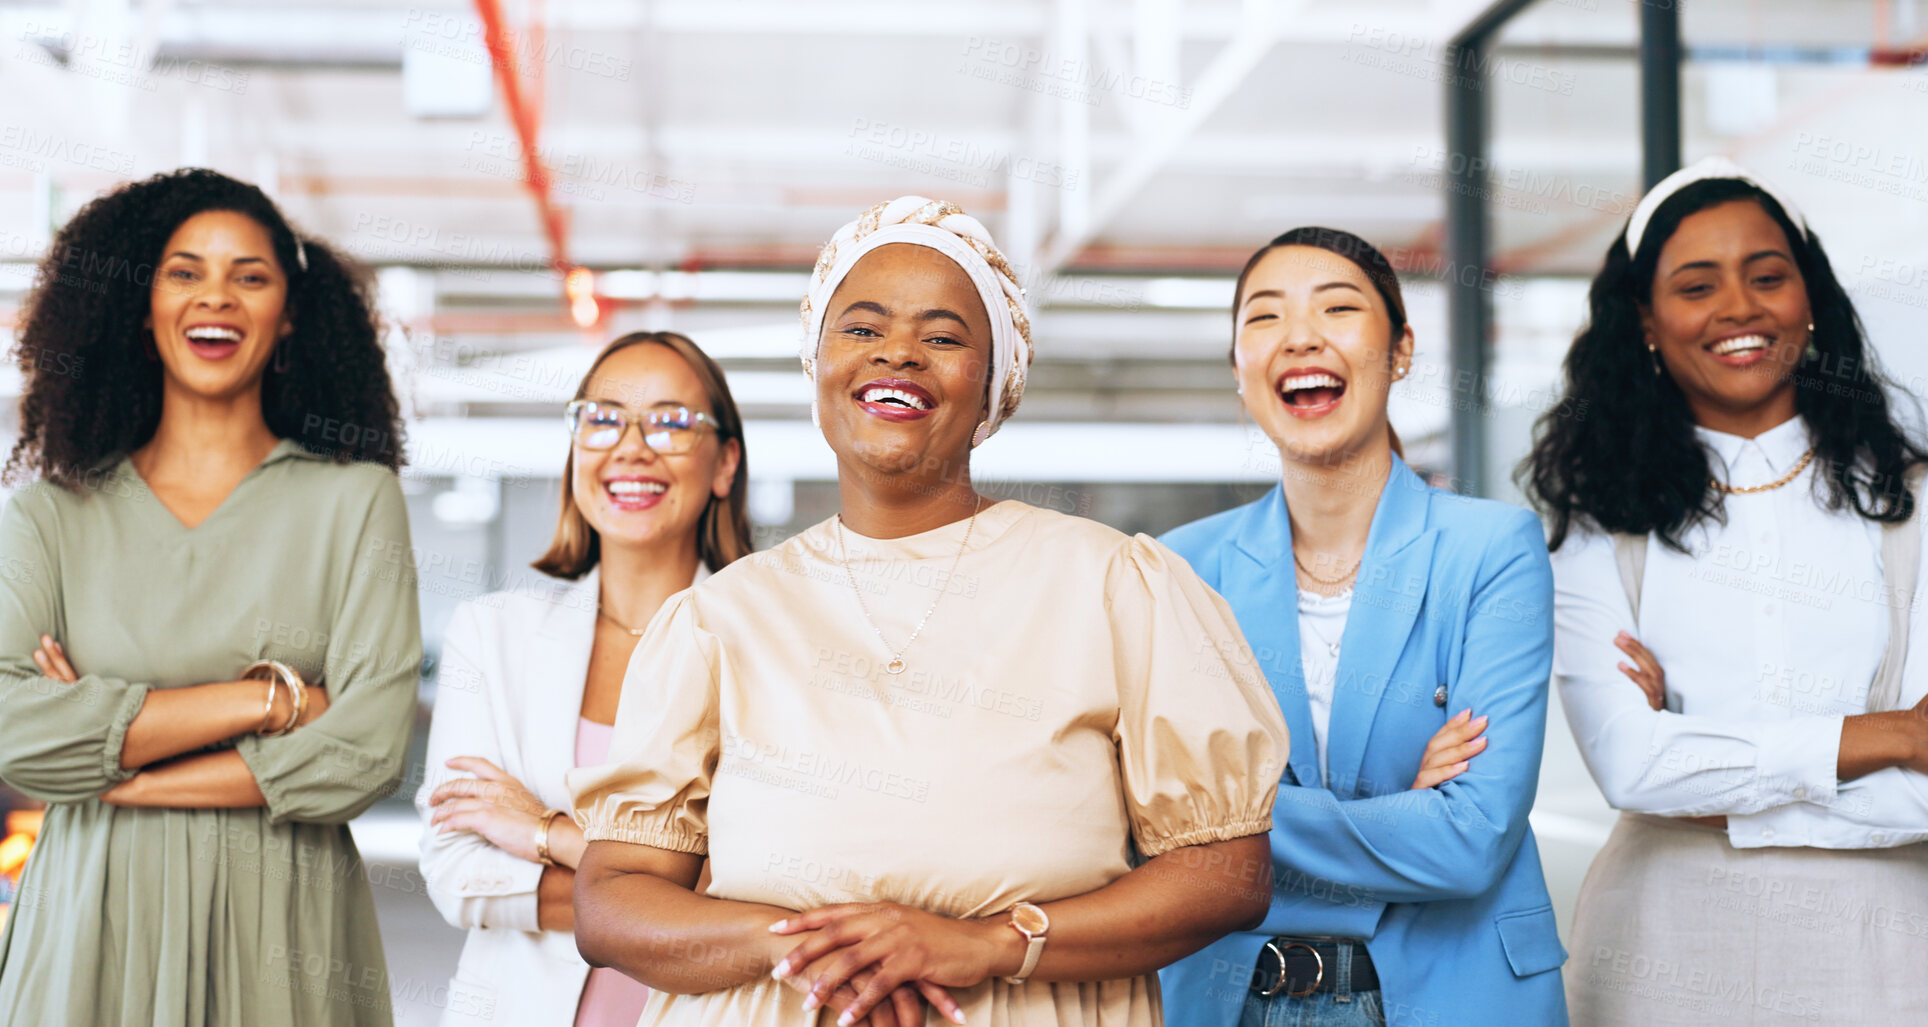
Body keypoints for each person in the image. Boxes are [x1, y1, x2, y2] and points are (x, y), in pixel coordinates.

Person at [566, 196, 1287, 1027]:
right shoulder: (718, 619)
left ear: (994, 384)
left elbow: (1228, 872)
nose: (898, 353)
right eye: (862, 329)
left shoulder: (1113, 585)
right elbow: (612, 899)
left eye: (942, 337)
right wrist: (810, 947)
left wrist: (986, 942)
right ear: (817, 364)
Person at [1523, 157, 1928, 1024]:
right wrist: (1888, 733)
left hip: (1889, 950)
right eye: (1695, 285)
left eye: (1766, 277)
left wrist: (1713, 784)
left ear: (1810, 299)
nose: (1739, 310)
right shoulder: (1599, 521)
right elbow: (1629, 765)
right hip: (1661, 949)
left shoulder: (1923, 502)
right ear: (1644, 318)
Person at [0, 168, 420, 1024]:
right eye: (184, 272)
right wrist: (269, 700)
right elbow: (15, 732)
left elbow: (366, 751)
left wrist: (124, 766)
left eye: (250, 276)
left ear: (289, 310)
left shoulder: (355, 500)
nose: (215, 298)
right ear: (141, 305)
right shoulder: (51, 514)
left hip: (286, 930)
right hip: (91, 925)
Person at [1157, 228, 1568, 1027]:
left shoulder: (1490, 550)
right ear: (1238, 369)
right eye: (1265, 317)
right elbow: (1142, 826)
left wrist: (1224, 826)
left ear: (1401, 348)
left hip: (1454, 993)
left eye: (1338, 308)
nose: (1301, 336)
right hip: (1231, 999)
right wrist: (1398, 810)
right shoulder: (1182, 570)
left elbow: (1470, 837)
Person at [415, 330, 752, 1027]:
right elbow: (457, 873)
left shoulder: (767, 648)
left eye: (668, 420)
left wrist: (547, 834)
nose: (631, 445)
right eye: (601, 418)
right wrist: (676, 891)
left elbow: (769, 888)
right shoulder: (492, 636)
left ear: (724, 463)